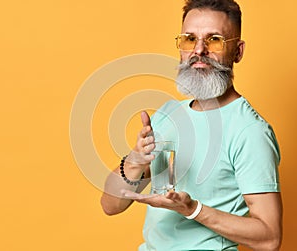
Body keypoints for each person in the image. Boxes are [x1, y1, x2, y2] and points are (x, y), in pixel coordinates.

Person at [101, 0, 282, 250]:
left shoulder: (250, 131)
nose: (199, 50)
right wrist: (134, 161)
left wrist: (192, 209)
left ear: (238, 51)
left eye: (214, 39)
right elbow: (110, 206)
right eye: (189, 39)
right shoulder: (167, 114)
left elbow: (270, 238)